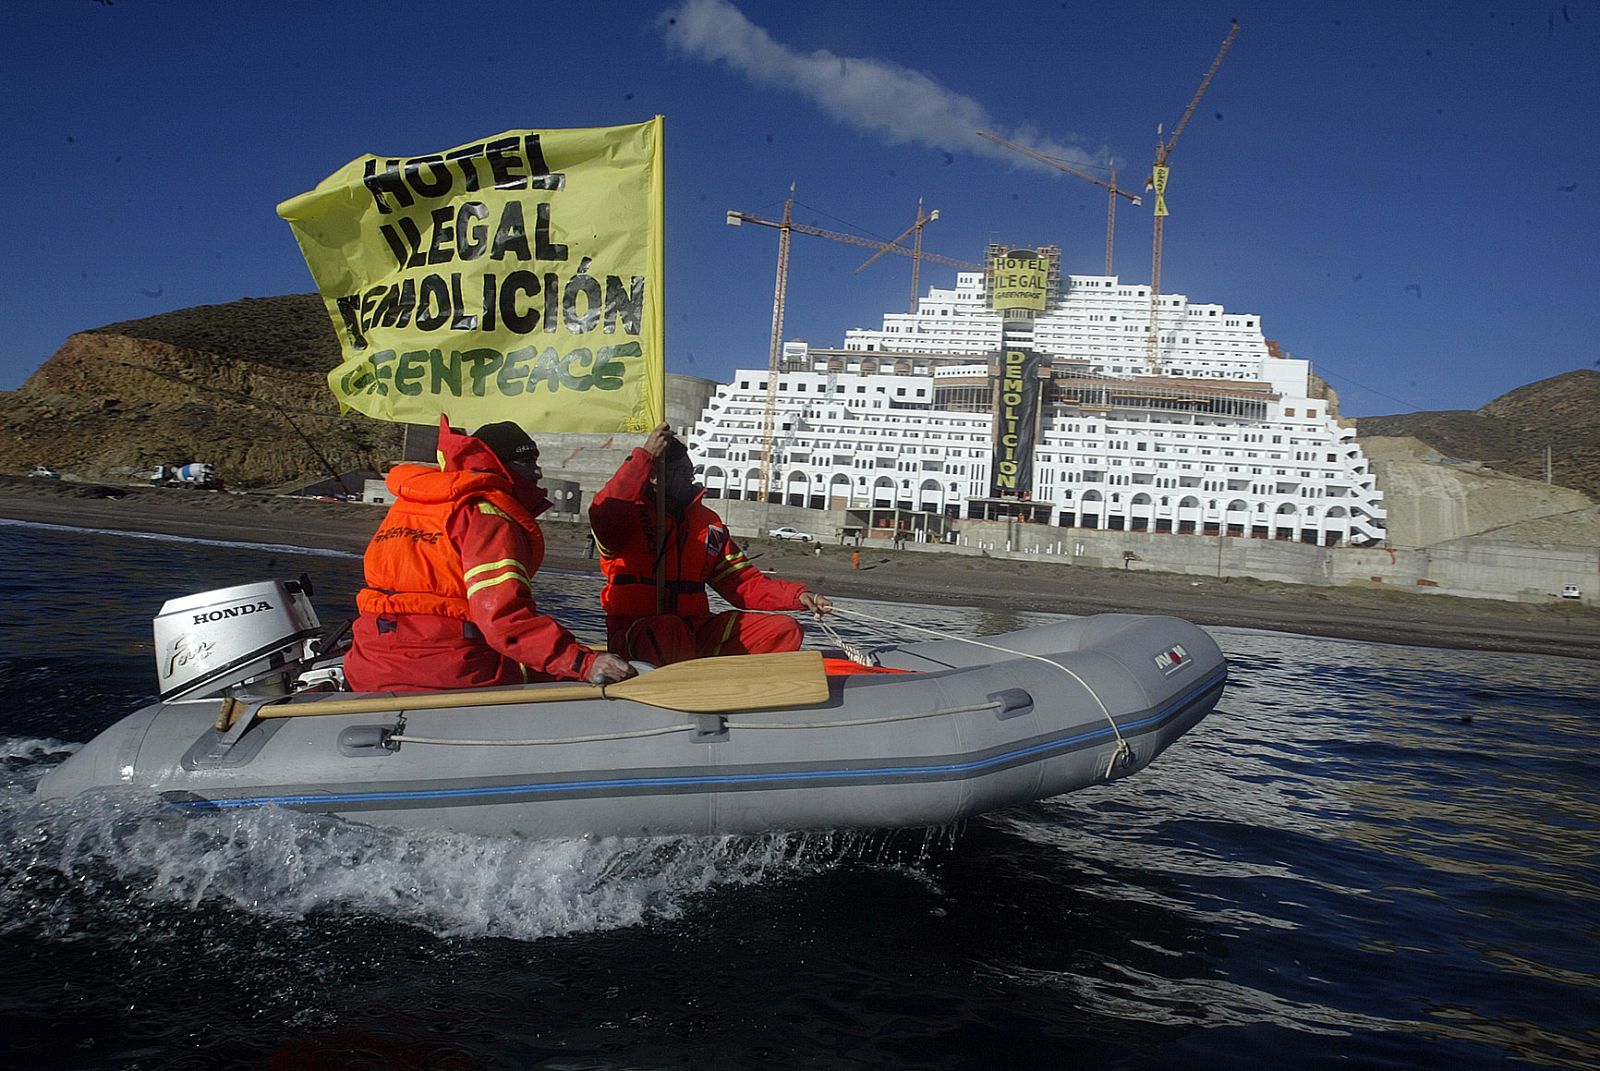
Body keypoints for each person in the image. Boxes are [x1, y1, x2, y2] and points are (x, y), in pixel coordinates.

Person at [343, 415, 634, 693]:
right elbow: (502, 620)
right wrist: (584, 662)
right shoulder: (487, 516)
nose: (538, 471)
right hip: (445, 672)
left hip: (369, 665)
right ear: (498, 465)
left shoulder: (411, 507)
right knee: (554, 677)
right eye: (527, 461)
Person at [588, 422, 833, 665]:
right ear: (653, 476)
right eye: (682, 473)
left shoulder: (708, 524)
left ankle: (738, 687)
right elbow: (603, 512)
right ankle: (681, 681)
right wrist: (644, 457)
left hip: (696, 632)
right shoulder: (625, 515)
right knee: (668, 630)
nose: (690, 480)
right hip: (639, 634)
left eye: (690, 473)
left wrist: (799, 596)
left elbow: (746, 584)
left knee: (784, 629)